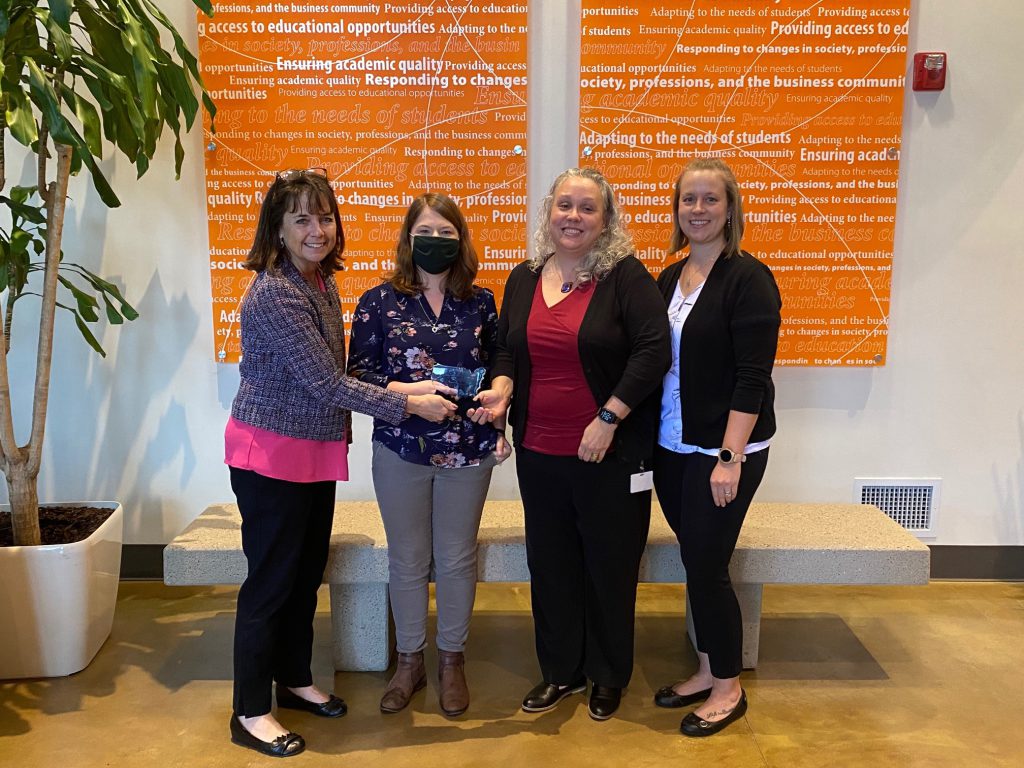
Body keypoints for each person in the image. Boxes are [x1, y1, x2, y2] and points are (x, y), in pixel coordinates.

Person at [224, 169, 454, 757]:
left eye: (324, 217)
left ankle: (294, 679)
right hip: (270, 454)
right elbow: (327, 383)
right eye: (301, 218)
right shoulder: (276, 292)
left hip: (313, 452)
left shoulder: (321, 282)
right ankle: (250, 711)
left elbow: (342, 377)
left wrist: (407, 388)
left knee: (304, 578)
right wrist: (409, 407)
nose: (317, 229)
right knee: (271, 584)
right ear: (277, 228)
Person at [484, 167, 670, 721]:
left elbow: (653, 351)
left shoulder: (626, 278)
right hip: (539, 452)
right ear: (548, 213)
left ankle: (609, 674)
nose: (574, 217)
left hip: (608, 455)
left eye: (588, 208)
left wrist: (609, 417)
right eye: (564, 205)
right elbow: (506, 350)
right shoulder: (523, 277)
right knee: (552, 564)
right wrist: (501, 389)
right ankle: (561, 672)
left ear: (606, 220)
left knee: (609, 567)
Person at [347, 192, 510, 718]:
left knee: (458, 557)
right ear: (407, 238)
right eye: (426, 232)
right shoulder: (378, 301)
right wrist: (411, 397)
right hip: (401, 446)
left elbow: (499, 365)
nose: (435, 242)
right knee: (409, 558)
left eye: (446, 233)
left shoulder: (481, 301)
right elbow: (359, 374)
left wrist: (498, 408)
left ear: (460, 241)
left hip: (468, 448)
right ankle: (409, 661)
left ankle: (451, 660)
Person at [650, 158, 781, 737]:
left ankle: (728, 687)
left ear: (731, 209)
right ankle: (707, 669)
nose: (697, 210)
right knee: (695, 560)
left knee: (706, 565)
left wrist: (730, 457)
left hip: (724, 452)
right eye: (687, 200)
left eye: (709, 199)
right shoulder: (668, 278)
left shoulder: (749, 278)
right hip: (673, 444)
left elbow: (752, 377)